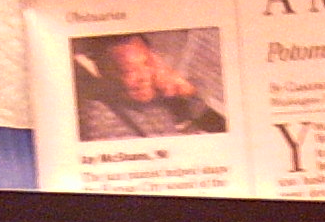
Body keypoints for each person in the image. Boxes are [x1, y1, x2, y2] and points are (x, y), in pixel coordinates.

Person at [76, 33, 226, 141]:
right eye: (130, 71)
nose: (144, 76)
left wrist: (189, 94)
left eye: (147, 63)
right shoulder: (98, 117)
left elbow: (222, 129)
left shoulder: (161, 97)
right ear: (104, 72)